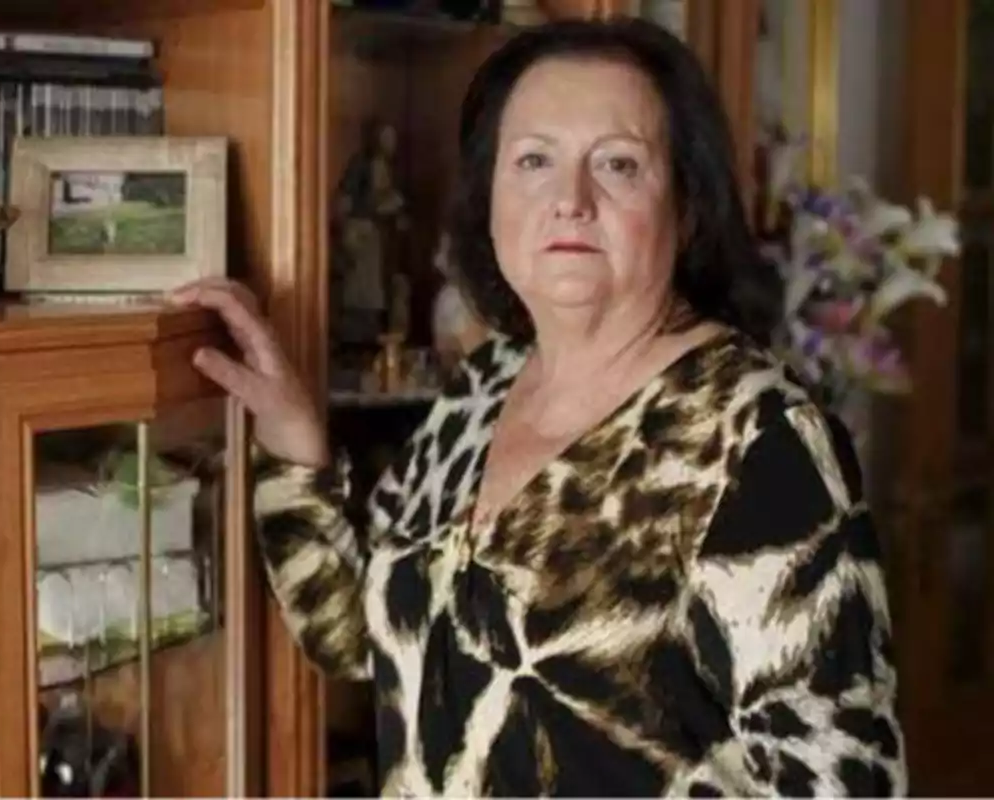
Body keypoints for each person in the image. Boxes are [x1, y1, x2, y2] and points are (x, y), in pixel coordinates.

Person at [167, 16, 906, 798]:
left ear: (687, 208)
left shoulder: (760, 438)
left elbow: (844, 784)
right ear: (489, 198)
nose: (570, 200)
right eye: (533, 161)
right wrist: (294, 444)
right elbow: (361, 636)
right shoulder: (484, 386)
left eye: (619, 164)